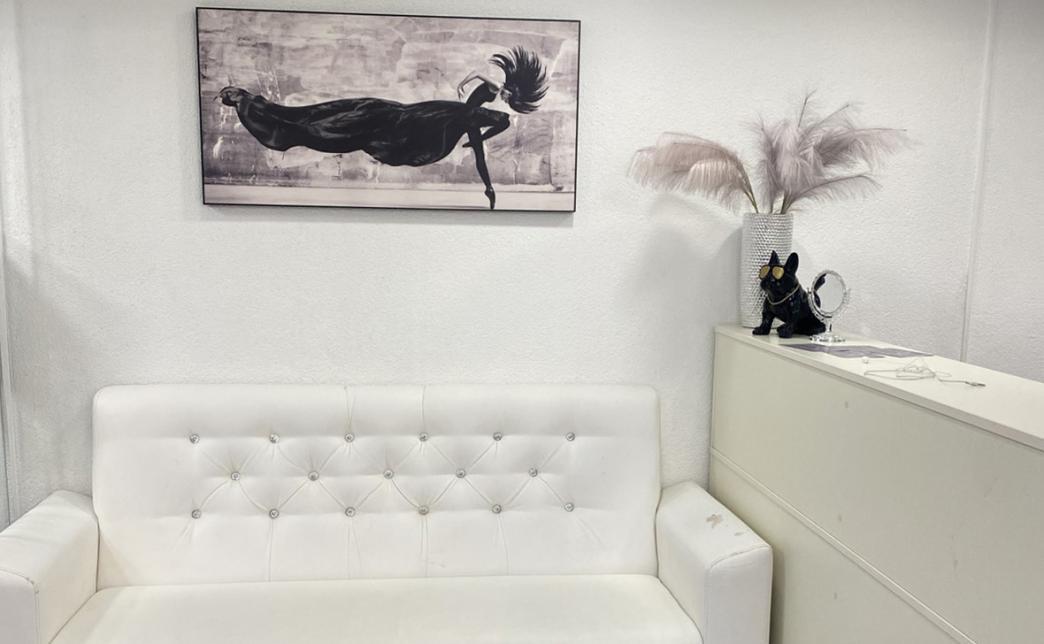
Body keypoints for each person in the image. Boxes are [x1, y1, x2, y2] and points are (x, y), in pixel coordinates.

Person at [217, 46, 548, 210]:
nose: (505, 99)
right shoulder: (494, 91)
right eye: (509, 97)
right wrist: (464, 88)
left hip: (445, 118)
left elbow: (482, 152)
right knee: (373, 121)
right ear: (509, 91)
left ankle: (265, 113)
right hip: (440, 116)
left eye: (509, 98)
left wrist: (484, 172)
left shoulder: (487, 112)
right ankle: (263, 111)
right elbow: (481, 83)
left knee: (374, 122)